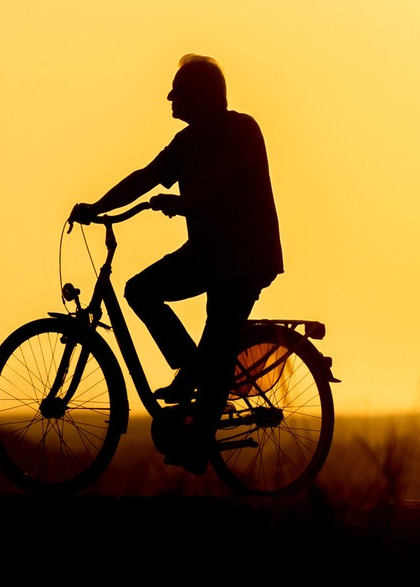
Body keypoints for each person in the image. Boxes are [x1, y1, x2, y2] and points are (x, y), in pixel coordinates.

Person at [68, 54, 283, 473]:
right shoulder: (186, 144)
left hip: (246, 259)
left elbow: (218, 178)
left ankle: (198, 441)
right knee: (140, 289)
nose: (169, 96)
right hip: (209, 254)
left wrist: (185, 202)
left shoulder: (241, 130)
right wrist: (97, 207)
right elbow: (144, 177)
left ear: (200, 95)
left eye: (178, 90)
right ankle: (193, 368)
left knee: (220, 336)